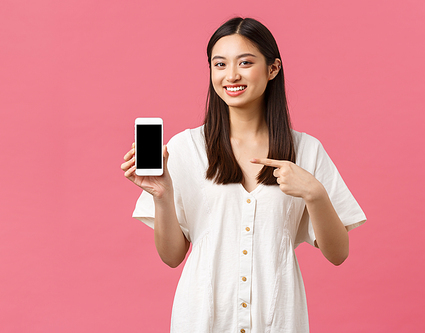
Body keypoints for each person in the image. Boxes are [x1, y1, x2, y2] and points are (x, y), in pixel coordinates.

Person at [121, 17, 366, 333]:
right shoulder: (185, 148)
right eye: (219, 64)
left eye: (245, 62)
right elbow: (172, 257)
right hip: (201, 320)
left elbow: (338, 254)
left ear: (273, 69)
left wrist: (315, 194)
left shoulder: (307, 150)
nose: (231, 75)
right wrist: (162, 196)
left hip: (278, 320)